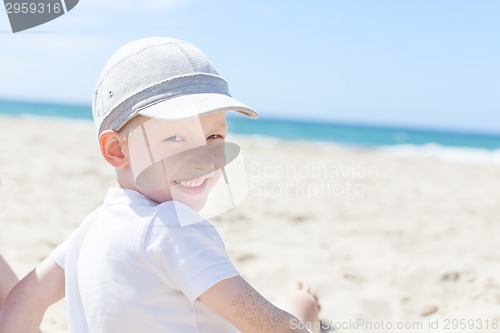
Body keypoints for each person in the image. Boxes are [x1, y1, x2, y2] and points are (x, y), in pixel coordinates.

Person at [0, 37, 321, 333]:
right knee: (298, 307)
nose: (204, 159)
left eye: (214, 136)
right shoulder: (175, 230)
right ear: (117, 149)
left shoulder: (89, 231)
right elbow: (264, 324)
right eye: (176, 138)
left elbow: (24, 300)